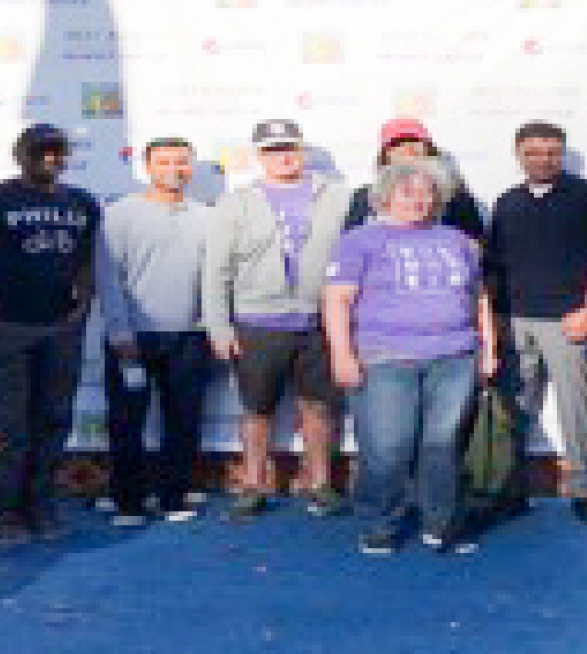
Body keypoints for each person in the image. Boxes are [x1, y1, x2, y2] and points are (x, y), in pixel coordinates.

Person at [324, 160, 498, 555]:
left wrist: (488, 350)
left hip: (454, 357)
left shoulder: (458, 240)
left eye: (427, 192)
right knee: (387, 446)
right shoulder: (359, 241)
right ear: (385, 196)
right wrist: (341, 354)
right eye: (408, 192)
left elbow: (479, 297)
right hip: (385, 359)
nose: (419, 200)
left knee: (442, 445)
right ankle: (380, 523)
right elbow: (337, 299)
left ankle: (441, 523)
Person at [202, 119, 351, 520]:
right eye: (272, 150)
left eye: (289, 147)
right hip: (257, 322)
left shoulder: (337, 196)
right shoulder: (237, 201)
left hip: (318, 322)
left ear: (302, 150)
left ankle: (319, 483)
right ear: (258, 155)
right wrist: (218, 326)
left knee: (318, 408)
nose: (283, 156)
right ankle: (252, 484)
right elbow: (216, 269)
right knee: (256, 410)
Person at [485, 121, 587, 525]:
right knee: (513, 409)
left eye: (551, 152)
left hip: (571, 320)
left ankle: (586, 490)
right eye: (533, 152)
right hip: (517, 322)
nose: (542, 159)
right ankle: (509, 490)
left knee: (578, 412)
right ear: (518, 154)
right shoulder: (506, 201)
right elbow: (494, 268)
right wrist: (495, 322)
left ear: (561, 154)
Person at [95, 137, 211, 527]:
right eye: (163, 162)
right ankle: (128, 500)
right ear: (148, 167)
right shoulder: (120, 214)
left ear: (191, 168)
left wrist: (212, 325)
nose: (174, 170)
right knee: (126, 422)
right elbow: (109, 279)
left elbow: (214, 278)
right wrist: (119, 333)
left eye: (182, 162)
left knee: (184, 421)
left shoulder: (206, 216)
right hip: (133, 338)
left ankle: (173, 496)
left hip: (190, 337)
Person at [0, 124, 101, 545]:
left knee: (54, 420)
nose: (50, 159)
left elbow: (86, 260)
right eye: (41, 151)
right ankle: (6, 512)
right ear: (20, 154)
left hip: (61, 329)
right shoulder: (2, 198)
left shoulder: (82, 202)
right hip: (9, 329)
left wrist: (83, 305)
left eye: (58, 152)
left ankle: (40, 505)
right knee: (10, 425)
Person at [343, 117, 484, 240]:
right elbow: (348, 244)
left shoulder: (455, 196)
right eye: (397, 143)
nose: (408, 148)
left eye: (415, 140)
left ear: (429, 151)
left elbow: (476, 248)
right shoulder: (363, 196)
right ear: (385, 155)